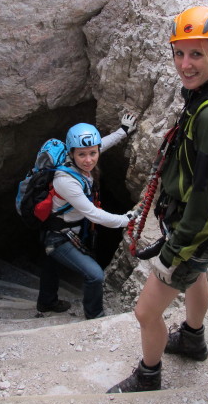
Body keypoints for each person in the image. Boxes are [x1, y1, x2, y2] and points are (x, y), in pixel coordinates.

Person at [108, 6, 208, 392]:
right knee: (198, 276)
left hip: (196, 230)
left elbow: (206, 201)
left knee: (145, 312)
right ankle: (192, 338)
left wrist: (173, 251)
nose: (185, 64)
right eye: (179, 53)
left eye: (196, 54)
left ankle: (148, 375)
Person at [36, 114, 138, 319]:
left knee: (51, 265)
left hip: (61, 229)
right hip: (58, 237)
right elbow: (93, 214)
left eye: (93, 153)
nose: (89, 159)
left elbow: (101, 145)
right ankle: (95, 316)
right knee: (95, 275)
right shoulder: (66, 181)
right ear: (72, 153)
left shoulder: (77, 159)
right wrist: (126, 219)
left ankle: (46, 303)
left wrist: (123, 131)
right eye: (82, 155)